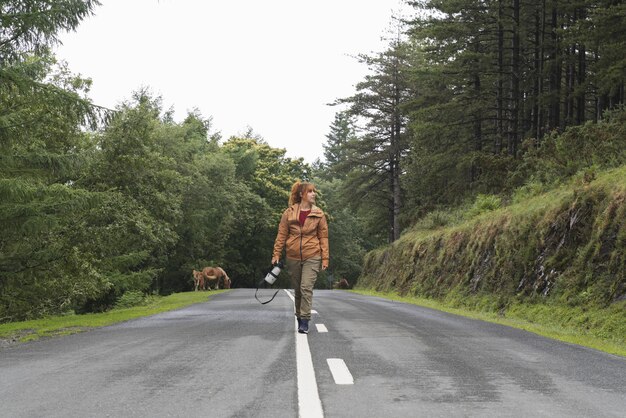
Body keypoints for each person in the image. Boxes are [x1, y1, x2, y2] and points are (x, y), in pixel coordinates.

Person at [272, 181, 329, 334]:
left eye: (314, 191)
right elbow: (282, 235)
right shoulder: (288, 213)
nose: (313, 194)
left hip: (313, 255)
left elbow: (323, 237)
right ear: (301, 194)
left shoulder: (319, 214)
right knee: (298, 290)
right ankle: (299, 317)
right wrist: (276, 254)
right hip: (293, 256)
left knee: (306, 287)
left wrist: (325, 258)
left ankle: (305, 320)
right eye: (310, 191)